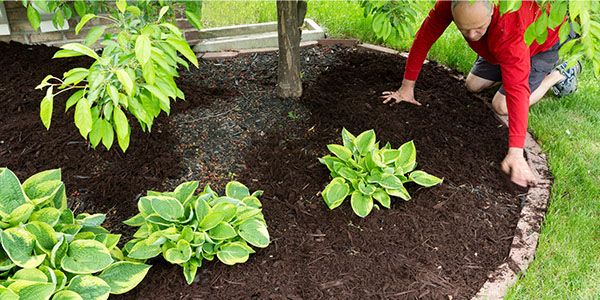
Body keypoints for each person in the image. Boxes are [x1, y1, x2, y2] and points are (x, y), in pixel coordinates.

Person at [381, 0, 580, 188]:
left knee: (501, 105)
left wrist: (516, 153)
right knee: (473, 85)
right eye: (464, 30)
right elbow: (425, 37)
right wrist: (406, 88)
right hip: (498, 45)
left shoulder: (511, 30)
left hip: (541, 42)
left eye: (479, 28)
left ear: (492, 10)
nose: (472, 35)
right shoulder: (451, 4)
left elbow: (517, 91)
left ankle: (560, 74)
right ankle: (509, 65)